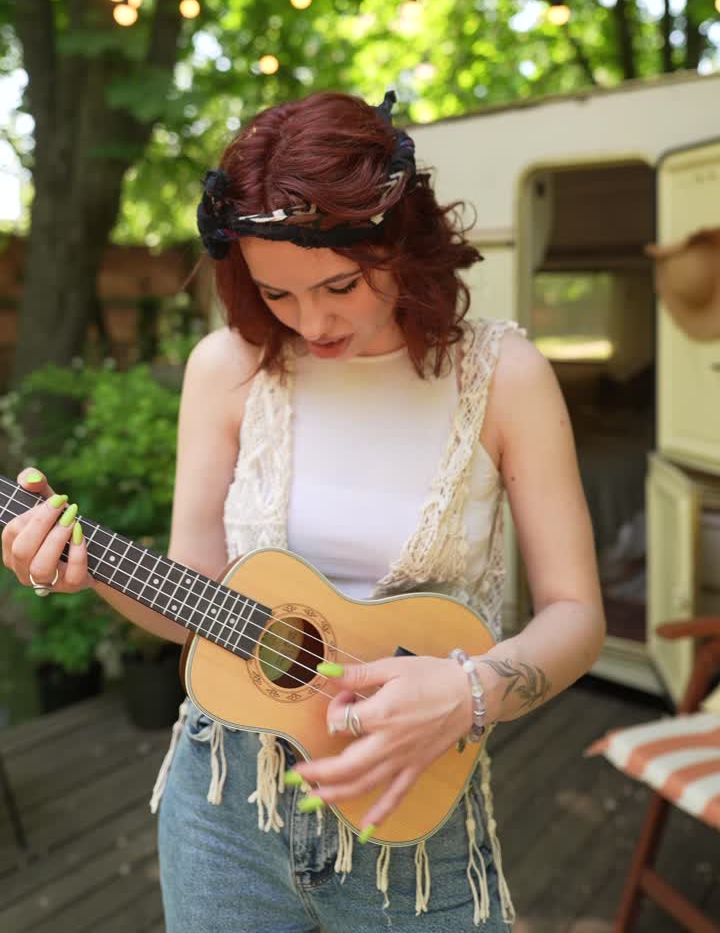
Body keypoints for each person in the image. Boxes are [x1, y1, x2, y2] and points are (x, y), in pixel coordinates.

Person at [3, 90, 605, 932]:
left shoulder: (504, 376)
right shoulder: (227, 368)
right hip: (224, 807)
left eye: (340, 284)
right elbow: (195, 600)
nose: (313, 321)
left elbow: (577, 616)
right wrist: (85, 569)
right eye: (276, 294)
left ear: (404, 245)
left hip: (412, 814)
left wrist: (470, 693)